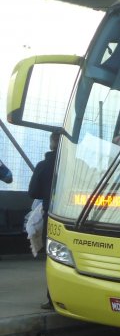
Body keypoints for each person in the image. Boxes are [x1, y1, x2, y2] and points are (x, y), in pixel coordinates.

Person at [29, 131, 60, 310]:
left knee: (53, 258)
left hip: (52, 215)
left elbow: (33, 193)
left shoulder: (43, 165)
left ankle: (51, 298)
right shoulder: (76, 164)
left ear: (51, 144)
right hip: (75, 217)